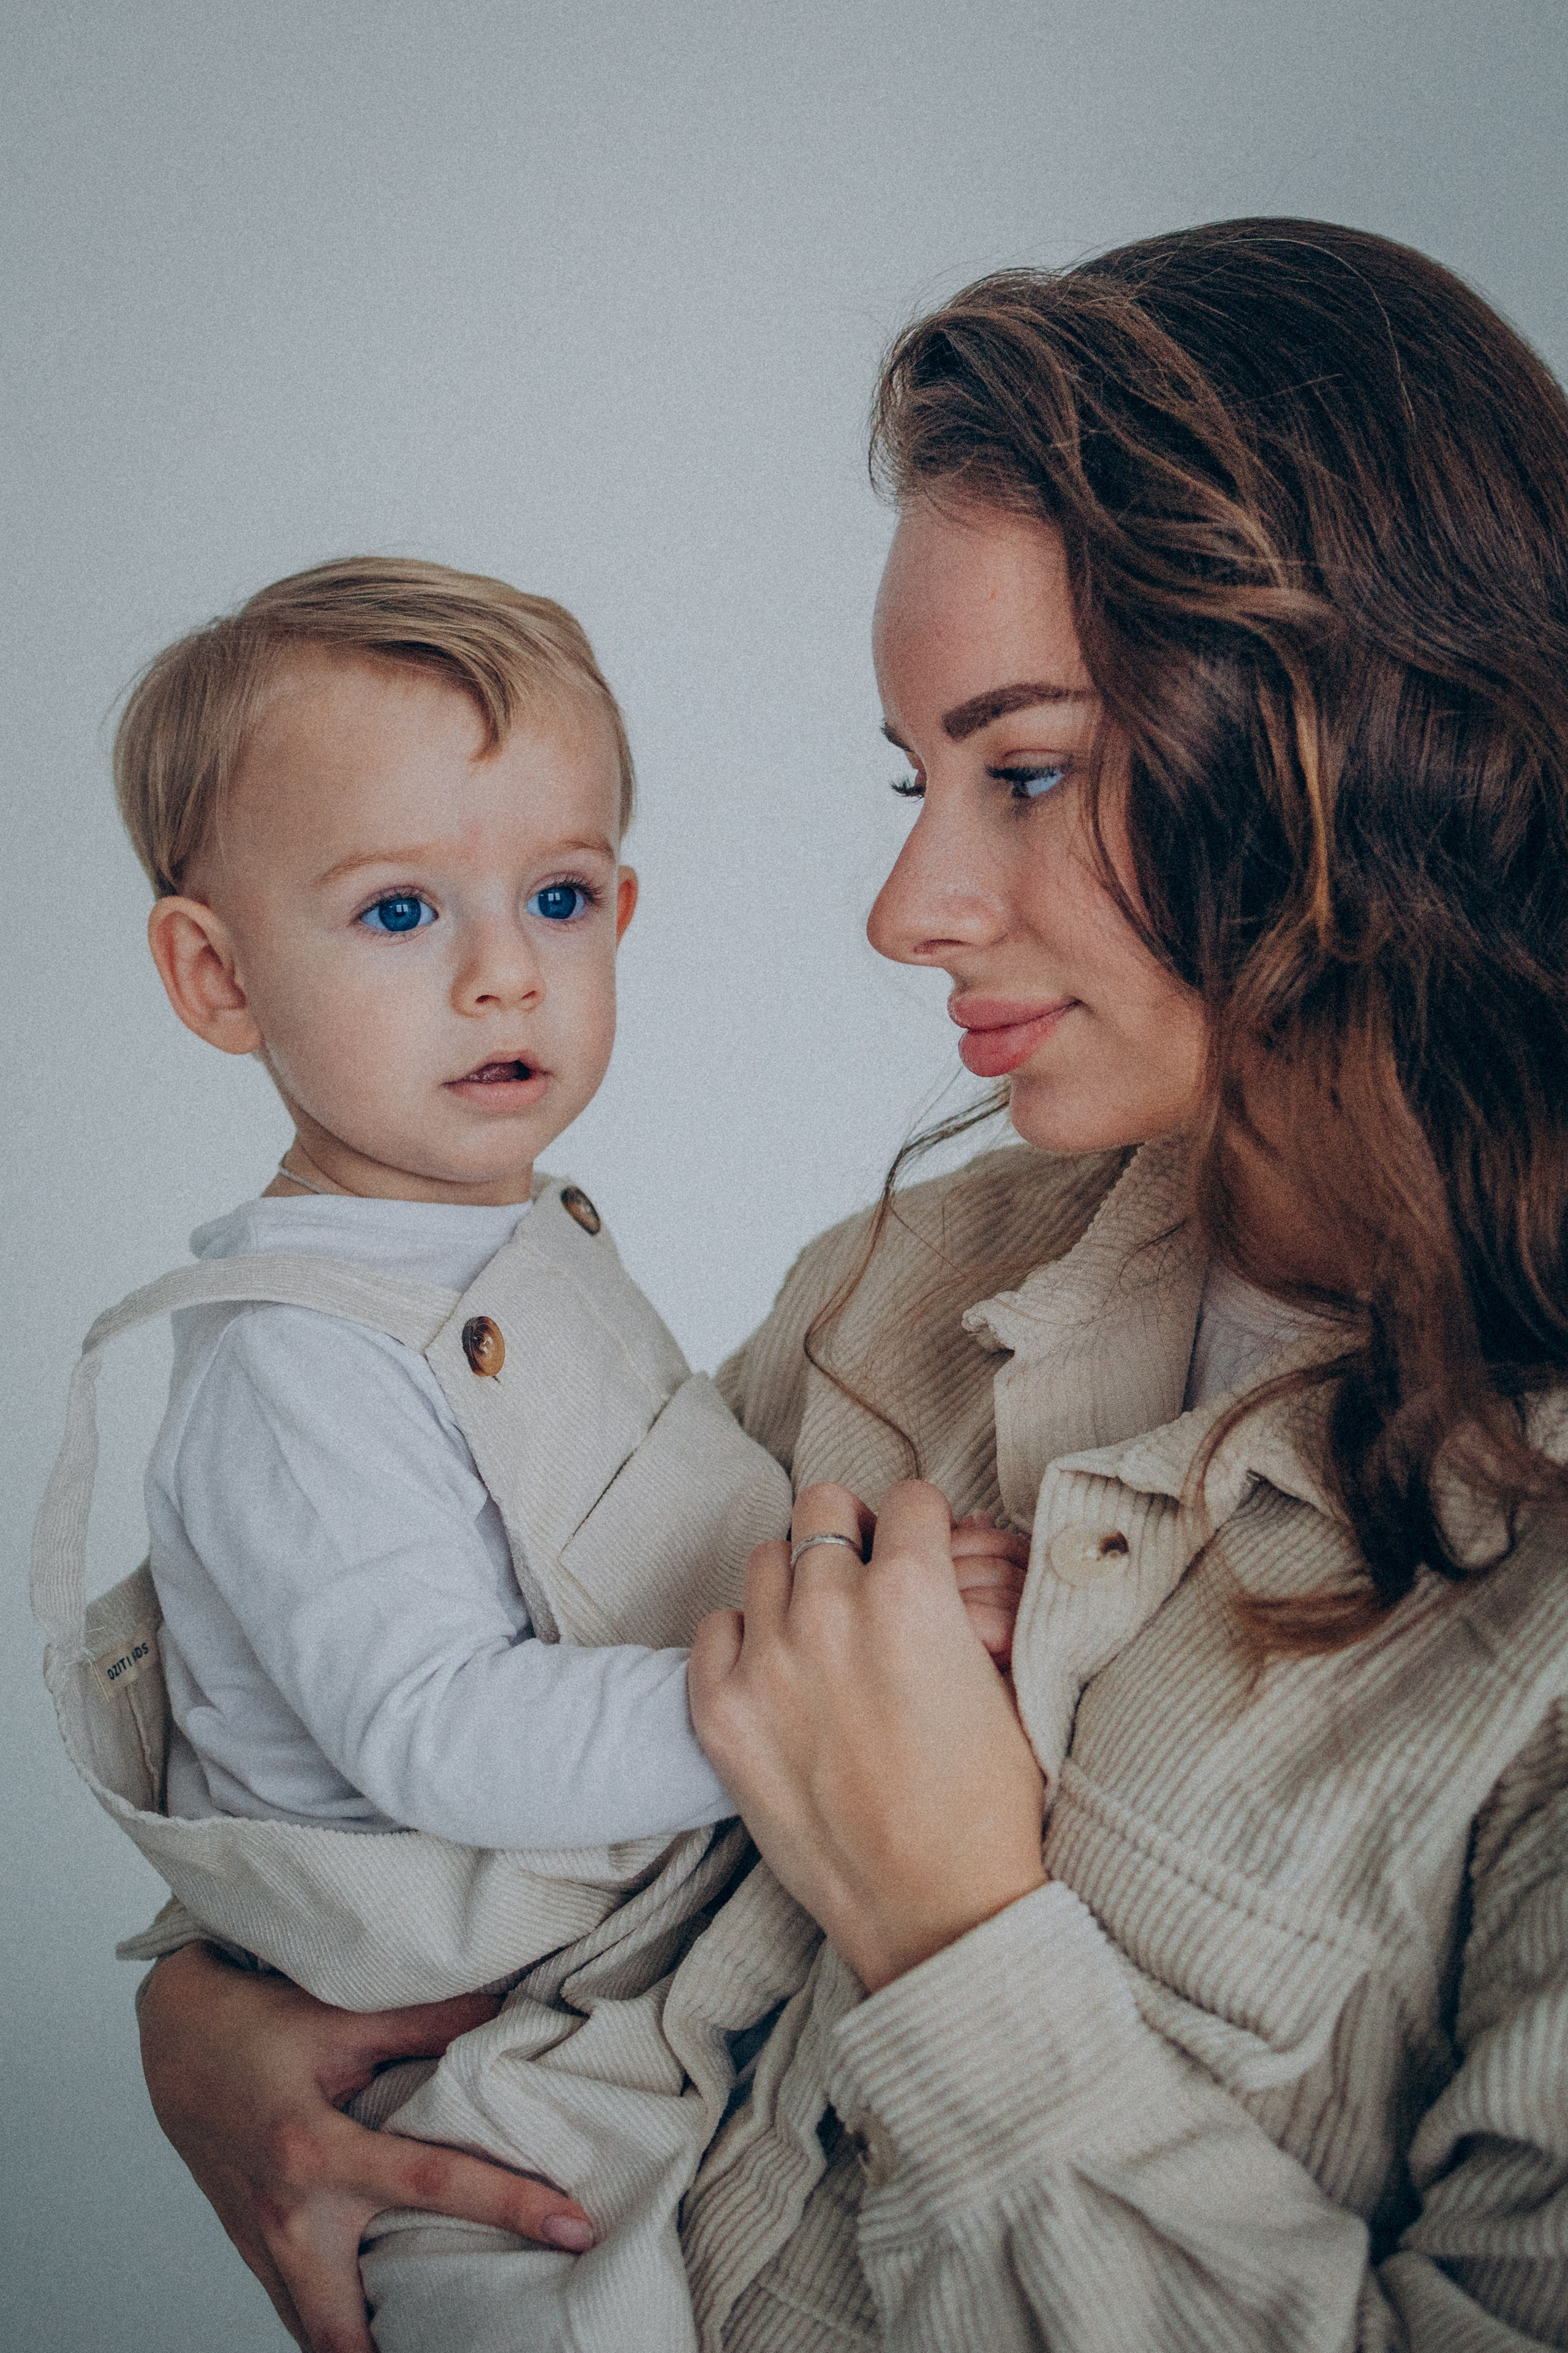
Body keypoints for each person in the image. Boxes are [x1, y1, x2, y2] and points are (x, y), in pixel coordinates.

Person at [135, 216, 1568, 2351]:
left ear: (1366, 742)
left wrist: (951, 1931)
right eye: (920, 780)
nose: (908, 907)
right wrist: (205, 2021)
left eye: (1031, 769)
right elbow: (422, 1714)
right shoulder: (897, 1292)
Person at [32, 557, 1025, 2352]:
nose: (505, 972)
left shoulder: (507, 1236)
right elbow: (441, 1732)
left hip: (604, 1982)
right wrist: (819, 1683)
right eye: (401, 912)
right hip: (467, 2092)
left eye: (558, 895)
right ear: (214, 971)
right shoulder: (296, 1362)